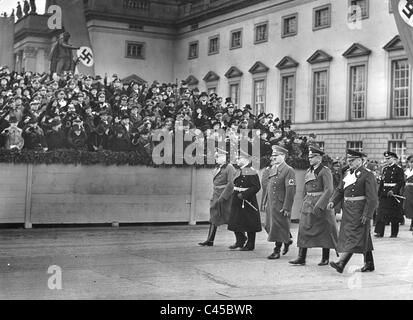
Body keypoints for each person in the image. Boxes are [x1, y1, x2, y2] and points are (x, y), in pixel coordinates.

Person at [327, 149, 378, 273]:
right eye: (348, 160)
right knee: (361, 235)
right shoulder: (347, 174)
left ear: (360, 161)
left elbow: (372, 198)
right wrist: (333, 200)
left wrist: (367, 214)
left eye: (352, 160)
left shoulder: (367, 174)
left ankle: (341, 263)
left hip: (360, 210)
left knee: (354, 236)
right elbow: (340, 189)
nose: (349, 162)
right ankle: (369, 263)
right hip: (348, 209)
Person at [289, 146, 338, 266]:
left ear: (319, 158)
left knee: (324, 231)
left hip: (320, 203)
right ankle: (301, 257)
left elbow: (329, 189)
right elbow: (306, 189)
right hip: (308, 203)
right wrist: (304, 202)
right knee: (303, 229)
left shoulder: (325, 171)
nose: (309, 159)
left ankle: (325, 258)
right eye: (309, 157)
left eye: (312, 157)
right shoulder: (309, 171)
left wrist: (320, 205)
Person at [262, 146, 296, 259]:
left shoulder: (288, 170)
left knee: (277, 226)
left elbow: (291, 190)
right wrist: (265, 202)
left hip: (280, 204)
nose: (274, 158)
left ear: (283, 156)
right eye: (273, 155)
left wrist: (287, 207)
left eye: (277, 156)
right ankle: (286, 240)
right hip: (271, 203)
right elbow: (268, 187)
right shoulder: (273, 169)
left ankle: (276, 250)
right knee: (268, 226)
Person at [199, 148, 235, 247]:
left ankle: (241, 238)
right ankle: (210, 240)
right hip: (216, 195)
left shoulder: (229, 167)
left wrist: (224, 197)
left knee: (230, 218)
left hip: (225, 196)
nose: (216, 159)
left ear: (224, 157)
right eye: (216, 157)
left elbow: (231, 183)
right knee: (213, 217)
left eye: (218, 157)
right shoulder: (218, 168)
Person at [227, 150, 261, 251]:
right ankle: (240, 241)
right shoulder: (240, 170)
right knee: (235, 221)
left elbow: (256, 187)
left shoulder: (251, 171)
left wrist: (245, 194)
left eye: (239, 158)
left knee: (250, 222)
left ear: (246, 159)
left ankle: (250, 244)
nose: (237, 160)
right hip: (237, 198)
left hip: (247, 200)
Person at [374, 151, 405, 238]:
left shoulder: (399, 169)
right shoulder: (385, 169)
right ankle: (379, 232)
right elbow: (382, 182)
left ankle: (394, 233)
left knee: (394, 214)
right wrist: (379, 194)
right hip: (384, 193)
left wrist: (394, 191)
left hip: (393, 194)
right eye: (386, 159)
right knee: (381, 213)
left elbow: (400, 182)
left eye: (389, 158)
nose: (387, 160)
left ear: (394, 159)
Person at [404, 155, 413, 232]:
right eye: (411, 162)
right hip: (408, 191)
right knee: (409, 206)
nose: (412, 163)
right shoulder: (407, 171)